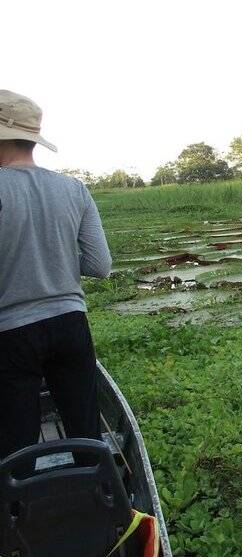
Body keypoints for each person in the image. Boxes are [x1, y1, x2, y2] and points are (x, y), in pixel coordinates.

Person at [0, 90, 112, 461]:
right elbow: (100, 265)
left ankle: (22, 512)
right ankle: (103, 503)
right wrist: (59, 260)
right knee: (86, 430)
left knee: (17, 444)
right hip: (71, 325)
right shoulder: (74, 189)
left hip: (12, 333)